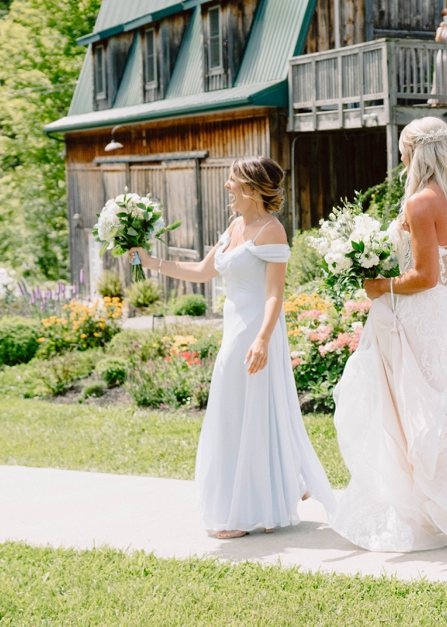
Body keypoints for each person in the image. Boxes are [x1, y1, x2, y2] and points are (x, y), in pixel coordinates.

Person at [130, 156, 338, 539]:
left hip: (256, 331)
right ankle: (279, 486)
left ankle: (245, 511)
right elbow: (202, 272)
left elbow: (275, 295)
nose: (227, 187)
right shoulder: (234, 226)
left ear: (253, 189)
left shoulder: (271, 232)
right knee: (239, 412)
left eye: (233, 181)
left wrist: (262, 338)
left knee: (243, 411)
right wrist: (150, 261)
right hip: (233, 329)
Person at [330, 117, 447, 551]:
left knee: (418, 406)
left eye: (402, 152)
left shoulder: (420, 203)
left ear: (414, 154)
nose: (400, 159)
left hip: (419, 310)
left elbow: (424, 276)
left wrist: (379, 285)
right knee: (429, 400)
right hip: (443, 309)